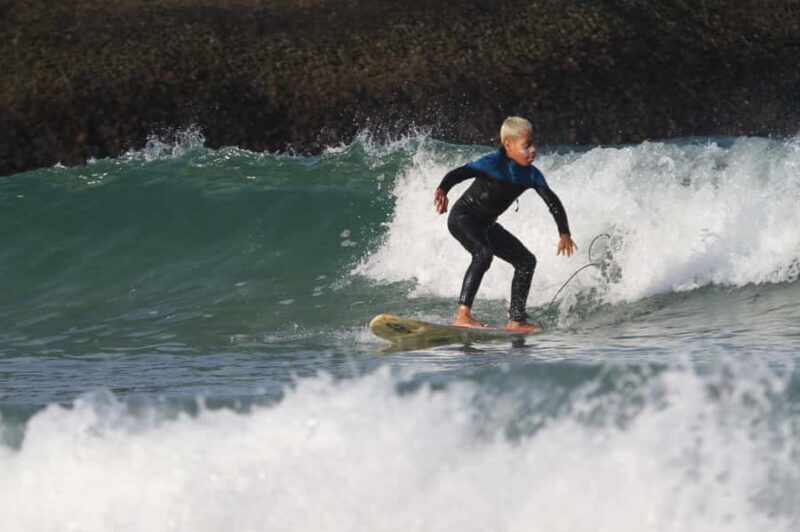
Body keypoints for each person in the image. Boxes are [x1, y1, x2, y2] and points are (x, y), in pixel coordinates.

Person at [433, 116, 577, 332]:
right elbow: (459, 174)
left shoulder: (531, 175)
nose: (533, 150)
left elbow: (553, 202)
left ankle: (516, 320)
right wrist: (442, 189)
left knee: (526, 261)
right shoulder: (491, 163)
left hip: (487, 224)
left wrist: (564, 233)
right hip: (464, 217)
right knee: (483, 253)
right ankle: (462, 315)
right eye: (526, 146)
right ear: (508, 145)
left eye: (533, 144)